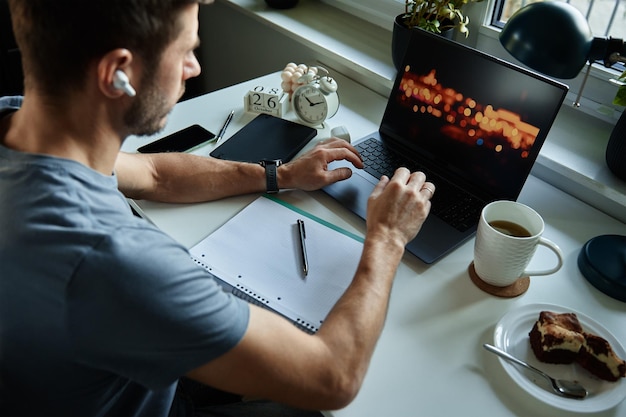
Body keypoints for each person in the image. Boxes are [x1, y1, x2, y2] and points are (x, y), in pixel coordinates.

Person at [0, 1, 435, 416]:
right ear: (117, 74)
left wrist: (281, 175)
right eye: (187, 50)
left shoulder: (23, 126)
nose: (195, 67)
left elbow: (154, 174)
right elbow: (333, 376)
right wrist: (388, 237)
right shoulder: (112, 258)